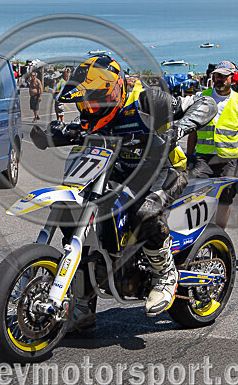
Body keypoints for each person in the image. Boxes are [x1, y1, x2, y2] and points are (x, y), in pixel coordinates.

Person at [30, 55, 214, 322]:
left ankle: (165, 275)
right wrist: (50, 134)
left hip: (163, 171)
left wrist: (178, 128)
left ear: (114, 90)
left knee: (146, 213)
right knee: (73, 215)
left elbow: (204, 102)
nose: (89, 107)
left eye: (95, 100)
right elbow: (79, 129)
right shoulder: (93, 112)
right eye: (84, 101)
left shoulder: (148, 101)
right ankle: (82, 305)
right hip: (115, 173)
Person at [186, 60, 238, 230]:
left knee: (225, 200)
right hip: (204, 158)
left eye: (223, 76)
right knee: (196, 195)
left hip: (228, 159)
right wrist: (189, 156)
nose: (219, 79)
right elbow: (193, 131)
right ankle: (198, 231)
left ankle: (218, 234)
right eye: (216, 76)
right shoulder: (202, 98)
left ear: (233, 78)